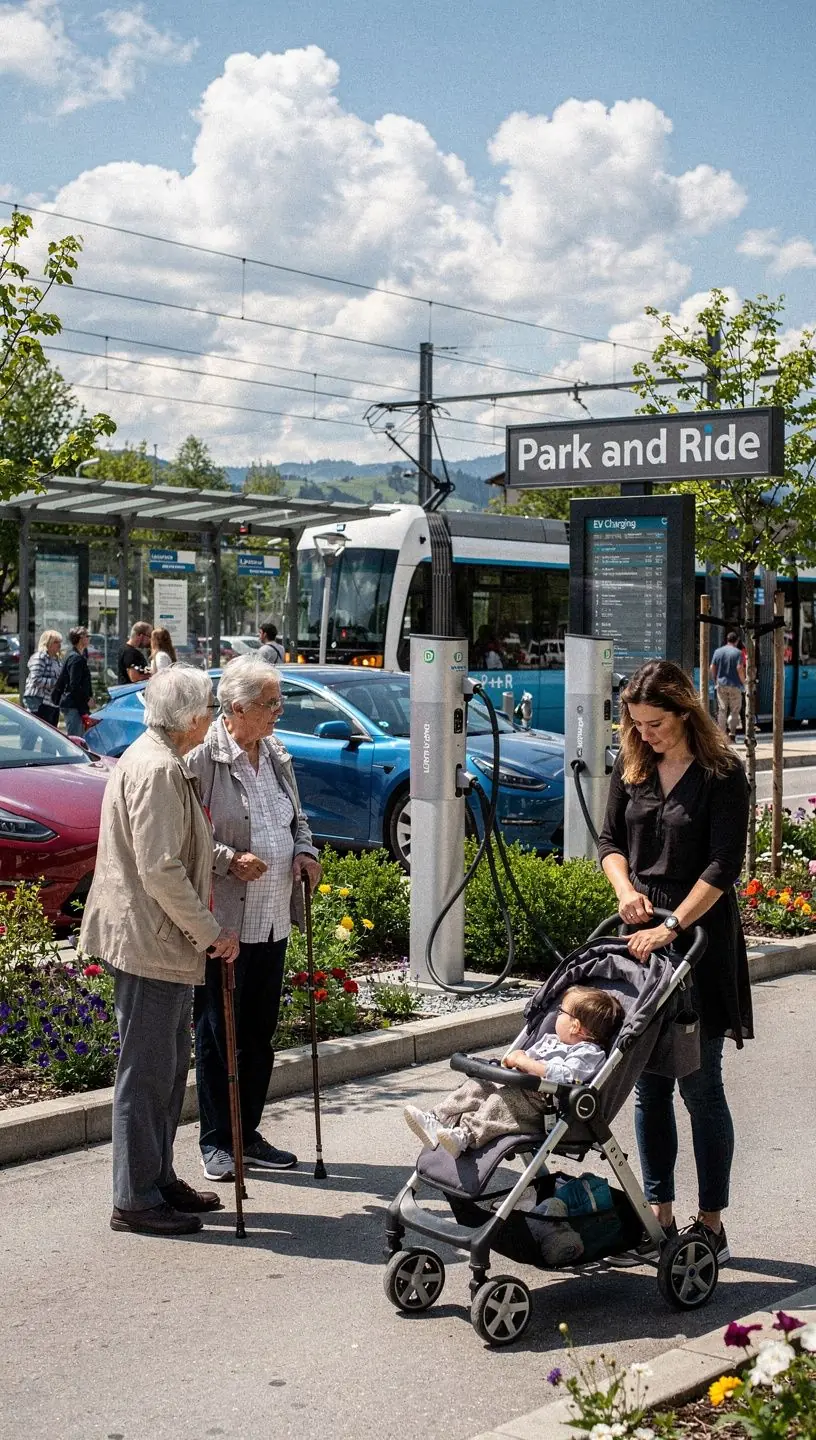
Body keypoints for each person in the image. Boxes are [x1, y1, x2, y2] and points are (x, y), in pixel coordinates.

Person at [597, 659, 751, 1265]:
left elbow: (723, 866)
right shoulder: (632, 764)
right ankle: (656, 1212)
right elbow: (610, 841)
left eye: (655, 724)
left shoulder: (722, 773)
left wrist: (673, 924)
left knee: (700, 1086)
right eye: (637, 724)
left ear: (685, 713)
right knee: (648, 1087)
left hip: (697, 938)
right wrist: (624, 891)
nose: (646, 734)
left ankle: (710, 1221)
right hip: (641, 936)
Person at [79, 665, 239, 1237]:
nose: (213, 720)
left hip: (159, 941)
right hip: (151, 941)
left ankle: (156, 1178)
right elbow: (160, 869)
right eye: (210, 711)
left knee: (167, 1071)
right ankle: (136, 1198)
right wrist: (211, 930)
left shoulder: (158, 759)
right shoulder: (159, 769)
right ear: (191, 718)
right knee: (146, 1075)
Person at [186, 655, 321, 1181]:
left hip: (273, 919)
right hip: (226, 923)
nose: (278, 712)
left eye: (279, 702)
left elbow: (297, 820)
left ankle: (250, 1131)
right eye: (270, 704)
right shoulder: (204, 759)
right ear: (237, 707)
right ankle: (218, 1140)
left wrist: (305, 853)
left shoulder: (277, 755)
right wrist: (229, 860)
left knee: (260, 1033)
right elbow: (191, 836)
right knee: (220, 1031)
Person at [404, 987, 622, 1158]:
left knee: (501, 1102)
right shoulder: (551, 1040)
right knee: (477, 1085)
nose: (557, 1015)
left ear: (575, 1025)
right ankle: (437, 1118)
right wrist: (513, 1060)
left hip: (543, 1103)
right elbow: (522, 1060)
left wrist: (525, 1062)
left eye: (561, 1011)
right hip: (519, 1084)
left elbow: (563, 1076)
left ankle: (466, 1136)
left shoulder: (589, 1052)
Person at [52, 626, 93, 737]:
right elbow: (74, 685)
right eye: (87, 636)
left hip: (74, 704)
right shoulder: (76, 658)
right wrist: (87, 700)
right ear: (80, 638)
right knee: (76, 740)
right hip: (73, 705)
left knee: (79, 738)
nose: (89, 638)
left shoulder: (77, 655)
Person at [710, 630, 746, 739]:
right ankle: (732, 734)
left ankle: (722, 735)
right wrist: (743, 682)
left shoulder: (718, 652)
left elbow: (712, 667)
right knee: (734, 711)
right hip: (735, 685)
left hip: (721, 685)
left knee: (722, 709)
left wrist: (715, 680)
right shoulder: (738, 653)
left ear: (727, 640)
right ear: (737, 641)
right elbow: (739, 668)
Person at [23, 630, 63, 722]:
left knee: (51, 735)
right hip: (38, 702)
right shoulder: (40, 657)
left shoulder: (57, 660)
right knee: (31, 733)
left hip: (52, 703)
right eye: (56, 642)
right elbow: (36, 679)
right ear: (47, 643)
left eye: (60, 642)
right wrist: (56, 683)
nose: (59, 645)